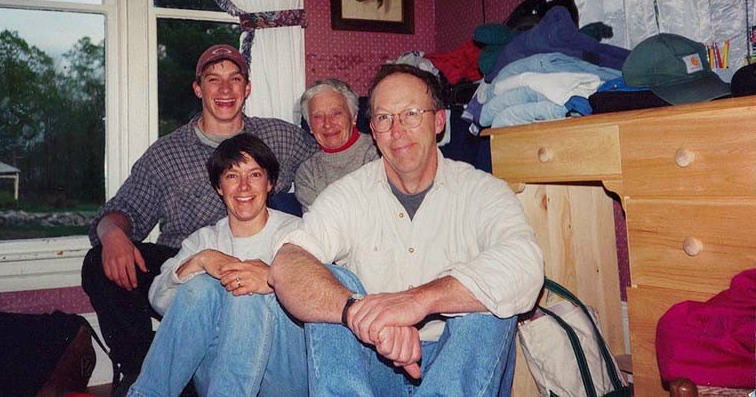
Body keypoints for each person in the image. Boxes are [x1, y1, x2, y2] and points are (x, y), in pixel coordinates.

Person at [268, 64, 544, 396]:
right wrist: (358, 311)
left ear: (438, 121)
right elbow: (288, 263)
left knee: (488, 296)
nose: (397, 130)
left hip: (458, 362)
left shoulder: (482, 191)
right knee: (331, 280)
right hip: (375, 365)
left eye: (411, 113)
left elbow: (525, 263)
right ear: (373, 128)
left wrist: (419, 300)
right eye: (384, 118)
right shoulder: (347, 194)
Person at [81, 44, 318, 394]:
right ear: (198, 88)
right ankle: (139, 368)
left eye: (234, 80)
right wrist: (112, 232)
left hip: (261, 252)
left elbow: (326, 162)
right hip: (188, 253)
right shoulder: (166, 153)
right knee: (99, 262)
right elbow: (122, 208)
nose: (225, 90)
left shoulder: (280, 136)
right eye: (213, 80)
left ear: (247, 88)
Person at [127, 134, 307, 397]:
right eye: (232, 176)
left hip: (282, 375)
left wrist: (270, 279)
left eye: (254, 175)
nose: (244, 187)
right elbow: (159, 300)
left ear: (270, 183)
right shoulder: (205, 239)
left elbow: (322, 295)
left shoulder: (297, 232)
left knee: (245, 291)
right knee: (199, 285)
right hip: (216, 374)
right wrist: (200, 260)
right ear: (219, 187)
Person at [294, 79, 379, 211]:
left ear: (354, 117)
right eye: (318, 116)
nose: (327, 124)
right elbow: (317, 225)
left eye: (336, 113)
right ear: (310, 125)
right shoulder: (307, 173)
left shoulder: (377, 153)